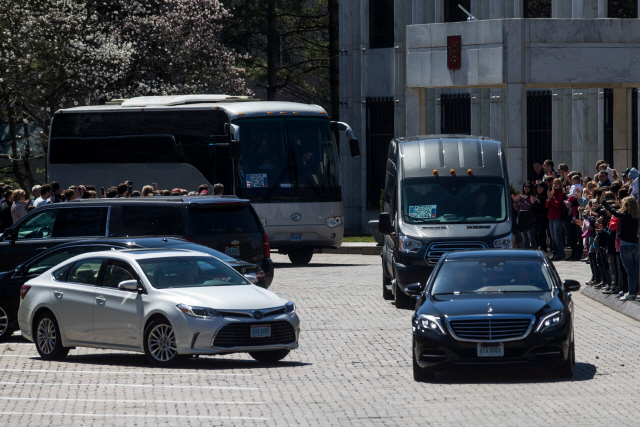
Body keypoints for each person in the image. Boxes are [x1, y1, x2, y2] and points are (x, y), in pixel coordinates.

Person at [602, 197, 639, 301]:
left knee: (630, 272)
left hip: (625, 245)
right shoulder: (636, 217)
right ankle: (633, 292)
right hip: (635, 245)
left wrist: (604, 202)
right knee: (635, 271)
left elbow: (613, 211)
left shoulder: (625, 216)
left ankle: (631, 293)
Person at [546, 178, 566, 261]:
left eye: (557, 183)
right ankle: (557, 252)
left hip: (557, 216)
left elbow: (558, 205)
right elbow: (547, 205)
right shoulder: (552, 193)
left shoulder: (561, 193)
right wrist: (549, 199)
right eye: (554, 183)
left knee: (557, 236)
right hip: (551, 217)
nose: (556, 185)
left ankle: (561, 253)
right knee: (553, 237)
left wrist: (552, 198)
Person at [512, 181, 536, 249]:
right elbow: (516, 208)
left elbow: (528, 206)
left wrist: (521, 200)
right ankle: (527, 253)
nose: (526, 188)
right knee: (524, 239)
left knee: (531, 238)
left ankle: (534, 252)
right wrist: (515, 201)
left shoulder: (532, 196)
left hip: (529, 219)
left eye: (528, 187)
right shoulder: (521, 196)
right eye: (525, 186)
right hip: (521, 219)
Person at [531, 182, 549, 254]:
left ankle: (544, 251)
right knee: (536, 235)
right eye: (537, 187)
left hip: (543, 218)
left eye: (540, 187)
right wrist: (533, 204)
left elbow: (544, 208)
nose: (538, 189)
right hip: (536, 218)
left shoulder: (545, 197)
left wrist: (536, 203)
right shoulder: (537, 196)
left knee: (541, 235)